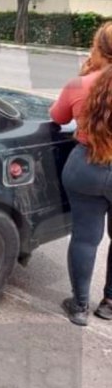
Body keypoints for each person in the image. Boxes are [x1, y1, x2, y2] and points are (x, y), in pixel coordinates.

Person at [50, 21, 112, 326]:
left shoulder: (80, 84)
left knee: (86, 239)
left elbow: (57, 116)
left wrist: (85, 76)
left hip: (84, 167)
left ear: (97, 48)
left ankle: (79, 306)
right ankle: (110, 304)